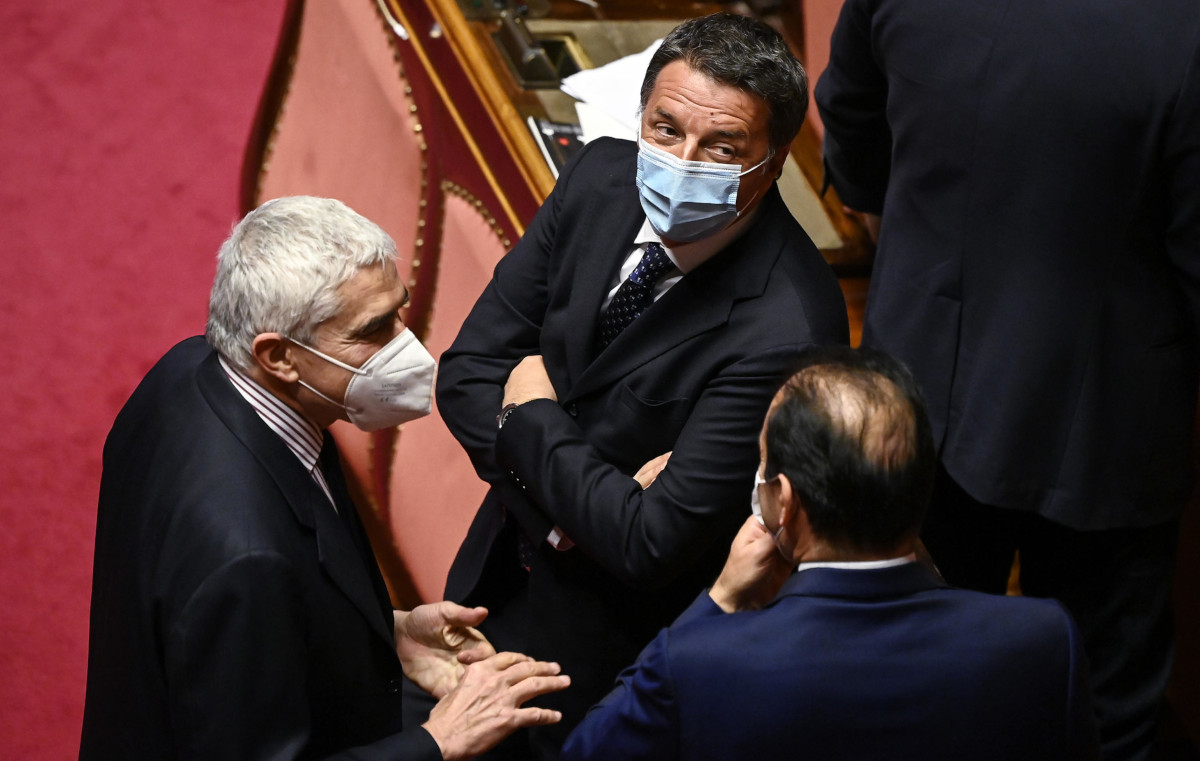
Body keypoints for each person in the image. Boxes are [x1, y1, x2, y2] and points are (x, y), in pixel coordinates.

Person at [426, 11, 849, 757]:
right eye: (665, 129)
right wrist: (579, 508)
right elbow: (467, 372)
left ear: (773, 161)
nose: (682, 159)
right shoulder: (598, 178)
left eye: (721, 147)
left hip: (612, 654)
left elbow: (652, 543)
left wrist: (532, 415)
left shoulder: (789, 324)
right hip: (493, 578)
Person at [813, 3, 1200, 759]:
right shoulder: (1181, 28)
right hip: (1104, 417)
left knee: (902, 683)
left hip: (913, 390)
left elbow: (853, 132)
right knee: (1104, 705)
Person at [79, 196, 570, 761]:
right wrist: (440, 741)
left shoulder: (188, 370)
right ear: (279, 357)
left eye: (399, 312)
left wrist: (383, 632)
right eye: (373, 331)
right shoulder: (246, 557)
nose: (404, 347)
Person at [561, 346, 1101, 761]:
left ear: (784, 502)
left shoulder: (701, 663)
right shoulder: (1045, 640)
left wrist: (720, 601)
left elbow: (588, 750)